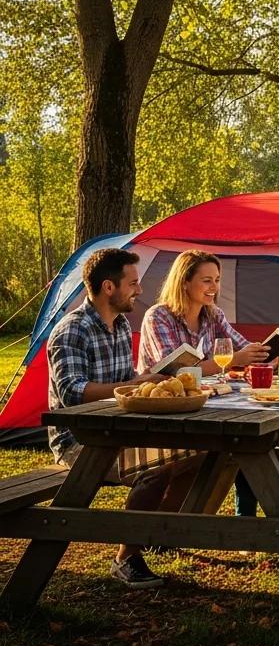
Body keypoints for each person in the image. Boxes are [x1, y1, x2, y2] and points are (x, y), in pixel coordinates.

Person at [48, 248, 200, 589]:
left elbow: (124, 378)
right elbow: (73, 392)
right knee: (155, 467)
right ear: (108, 287)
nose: (139, 290)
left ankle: (159, 532)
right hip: (81, 441)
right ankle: (125, 557)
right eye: (132, 283)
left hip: (120, 430)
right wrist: (133, 384)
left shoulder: (118, 325)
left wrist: (149, 378)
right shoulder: (72, 331)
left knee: (197, 453)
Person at [139, 250, 270, 518]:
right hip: (158, 410)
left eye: (217, 280)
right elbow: (176, 372)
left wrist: (267, 354)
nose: (214, 288)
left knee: (252, 439)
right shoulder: (159, 317)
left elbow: (242, 345)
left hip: (201, 403)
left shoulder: (212, 314)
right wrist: (234, 359)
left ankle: (239, 521)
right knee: (230, 446)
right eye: (207, 280)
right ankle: (161, 527)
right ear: (185, 282)